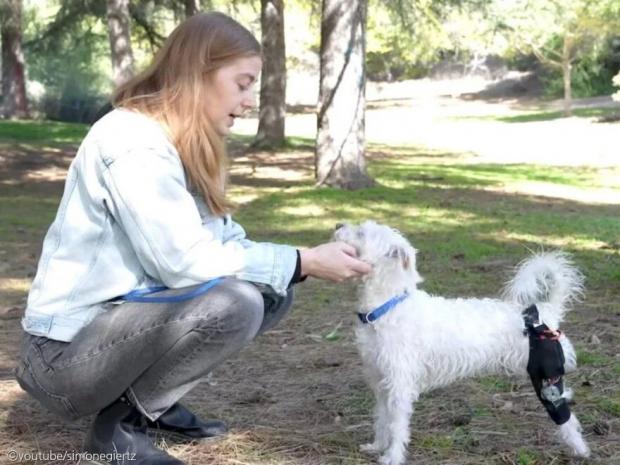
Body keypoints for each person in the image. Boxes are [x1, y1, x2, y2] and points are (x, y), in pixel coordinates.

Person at [15, 12, 371, 465]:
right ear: (200, 72)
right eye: (242, 83)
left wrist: (296, 265)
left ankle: (147, 406)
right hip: (63, 360)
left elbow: (224, 246)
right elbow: (183, 263)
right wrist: (303, 260)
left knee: (270, 291)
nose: (248, 101)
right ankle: (117, 431)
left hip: (113, 332)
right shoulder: (132, 141)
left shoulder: (181, 143)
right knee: (235, 303)